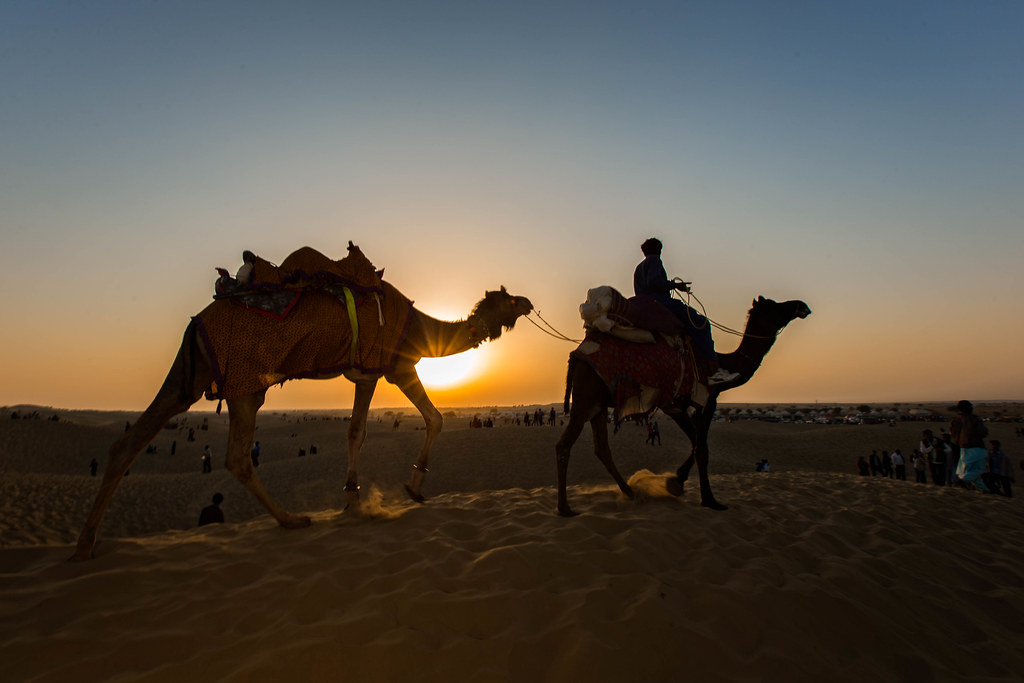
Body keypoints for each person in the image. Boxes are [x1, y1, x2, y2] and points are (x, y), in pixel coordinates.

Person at [633, 238, 738, 385]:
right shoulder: (654, 261)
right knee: (700, 323)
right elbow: (653, 282)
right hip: (660, 303)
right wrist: (675, 285)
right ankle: (713, 370)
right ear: (659, 250)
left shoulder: (639, 268)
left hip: (646, 305)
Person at [949, 400, 989, 491]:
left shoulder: (955, 420)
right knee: (979, 469)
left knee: (970, 471)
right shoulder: (973, 419)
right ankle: (963, 480)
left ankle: (983, 489)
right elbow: (983, 433)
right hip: (976, 447)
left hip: (963, 448)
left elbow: (953, 434)